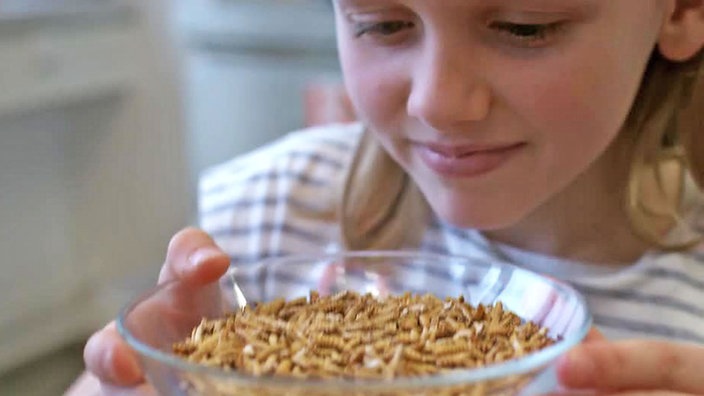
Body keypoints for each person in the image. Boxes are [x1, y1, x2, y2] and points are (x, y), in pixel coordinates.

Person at [72, 0, 704, 394]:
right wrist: (137, 379)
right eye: (383, 24)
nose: (437, 102)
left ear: (681, 10)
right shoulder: (260, 222)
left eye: (524, 27)